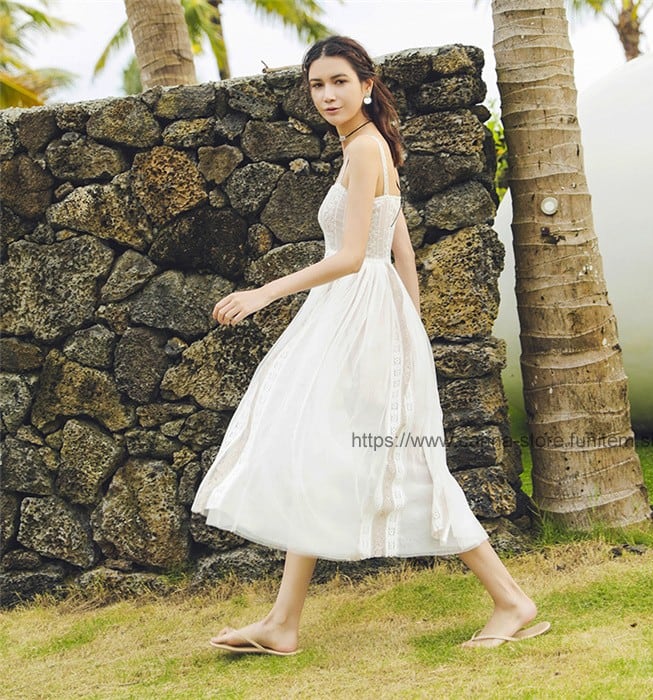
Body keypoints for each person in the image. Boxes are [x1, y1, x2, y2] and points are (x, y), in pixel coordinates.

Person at [192, 35, 550, 654]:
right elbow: (400, 247)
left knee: (405, 459)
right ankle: (282, 623)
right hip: (365, 318)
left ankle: (512, 600)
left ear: (366, 84)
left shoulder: (365, 148)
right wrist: (409, 329)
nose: (327, 95)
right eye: (316, 85)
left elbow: (354, 255)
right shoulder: (369, 145)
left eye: (339, 82)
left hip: (357, 313)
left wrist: (264, 293)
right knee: (321, 452)